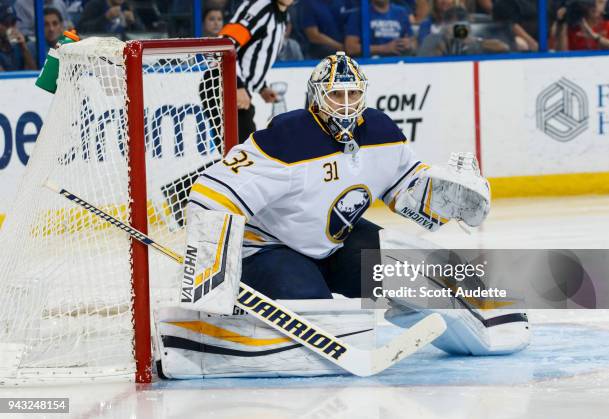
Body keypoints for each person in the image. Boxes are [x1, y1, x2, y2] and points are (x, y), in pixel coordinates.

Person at [180, 52, 528, 376]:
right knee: (322, 316)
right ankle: (227, 328)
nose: (346, 105)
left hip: (334, 245)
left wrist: (449, 197)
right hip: (270, 248)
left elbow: (407, 187)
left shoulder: (381, 132)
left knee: (411, 269)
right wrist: (210, 273)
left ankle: (473, 330)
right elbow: (212, 194)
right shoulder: (286, 138)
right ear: (317, 97)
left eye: (352, 94)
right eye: (336, 95)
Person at [213, 0, 294, 143]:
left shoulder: (282, 15)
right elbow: (224, 44)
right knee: (243, 153)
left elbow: (251, 53)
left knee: (241, 153)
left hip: (235, 86)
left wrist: (261, 87)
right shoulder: (261, 7)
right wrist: (236, 85)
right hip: (223, 83)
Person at [418, 6, 510, 56]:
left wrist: (476, 42)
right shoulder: (433, 39)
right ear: (445, 25)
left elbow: (504, 48)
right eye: (453, 26)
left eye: (462, 25)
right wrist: (443, 44)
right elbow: (424, 63)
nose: (458, 30)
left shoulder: (474, 39)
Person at [344, 0, 414, 56]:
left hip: (399, 64)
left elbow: (414, 43)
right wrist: (384, 48)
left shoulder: (401, 12)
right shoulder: (359, 14)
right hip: (370, 64)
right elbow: (350, 48)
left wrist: (409, 44)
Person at [0, 5, 36, 71]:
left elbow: (34, 73)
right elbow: (3, 79)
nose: (11, 27)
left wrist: (24, 48)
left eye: (13, 23)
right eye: (7, 23)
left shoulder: (19, 47)